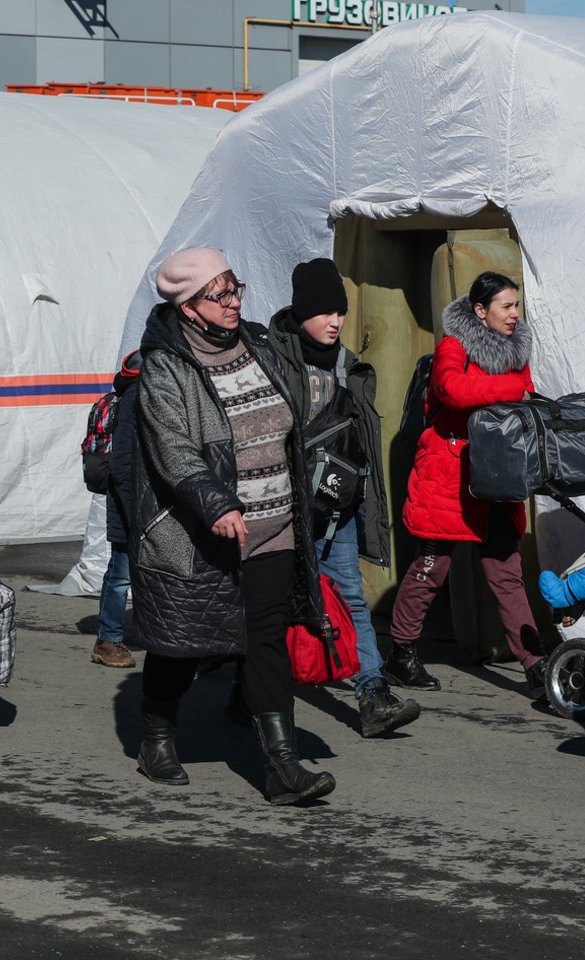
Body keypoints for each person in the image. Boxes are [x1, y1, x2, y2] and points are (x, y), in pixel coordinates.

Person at [129, 247, 334, 805]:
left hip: (274, 527)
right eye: (218, 294)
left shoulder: (258, 345)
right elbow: (172, 448)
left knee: (265, 643)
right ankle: (156, 735)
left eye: (234, 287)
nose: (233, 300)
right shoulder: (165, 364)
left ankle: (281, 767)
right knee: (183, 644)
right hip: (199, 531)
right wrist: (216, 502)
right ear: (188, 306)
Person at [268, 258, 421, 738]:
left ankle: (373, 694)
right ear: (301, 312)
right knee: (273, 605)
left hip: (338, 507)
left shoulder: (349, 365)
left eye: (341, 312)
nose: (335, 322)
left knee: (350, 596)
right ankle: (249, 689)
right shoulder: (272, 359)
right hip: (284, 508)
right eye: (325, 312)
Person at [387, 271, 546, 697]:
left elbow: (526, 392)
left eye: (517, 305)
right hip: (448, 478)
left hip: (496, 478)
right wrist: (510, 388)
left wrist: (512, 389)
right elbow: (451, 388)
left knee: (507, 574)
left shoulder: (517, 348)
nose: (515, 314)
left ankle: (537, 666)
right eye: (506, 306)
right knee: (430, 571)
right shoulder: (452, 345)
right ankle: (401, 653)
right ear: (481, 310)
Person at [91, 350, 141, 669]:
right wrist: (135, 511)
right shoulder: (138, 395)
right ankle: (108, 640)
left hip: (141, 501)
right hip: (133, 502)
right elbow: (124, 463)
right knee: (122, 570)